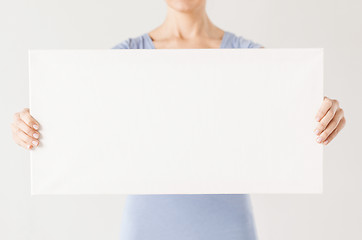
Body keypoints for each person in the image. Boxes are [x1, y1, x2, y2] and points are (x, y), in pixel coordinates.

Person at [11, 0, 346, 239]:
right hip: (146, 226)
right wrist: (30, 124)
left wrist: (325, 115)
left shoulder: (250, 58)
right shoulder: (126, 58)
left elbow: (294, 121)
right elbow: (74, 121)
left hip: (228, 226)